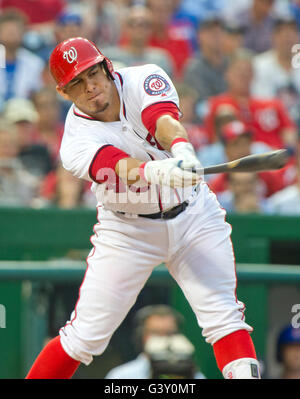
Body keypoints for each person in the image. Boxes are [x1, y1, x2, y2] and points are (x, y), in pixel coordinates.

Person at [25, 37, 260, 379]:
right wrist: (156, 170)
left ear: (106, 67)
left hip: (194, 215)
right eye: (77, 82)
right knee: (83, 338)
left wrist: (182, 151)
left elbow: (162, 119)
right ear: (64, 93)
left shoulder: (144, 77)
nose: (90, 87)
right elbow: (117, 163)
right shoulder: (74, 142)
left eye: (93, 74)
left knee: (224, 318)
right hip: (127, 230)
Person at [204, 50, 298, 152]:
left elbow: (290, 135)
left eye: (248, 71)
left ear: (254, 75)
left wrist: (289, 152)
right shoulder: (218, 104)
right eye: (239, 71)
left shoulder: (273, 104)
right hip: (237, 163)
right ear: (227, 74)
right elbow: (212, 143)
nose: (244, 75)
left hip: (274, 162)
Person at [105, 305, 206, 379]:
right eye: (156, 333)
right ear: (143, 336)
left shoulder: (195, 376)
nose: (163, 338)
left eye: (169, 333)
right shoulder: (120, 376)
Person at [252, 17, 300, 128]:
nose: (287, 38)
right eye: (282, 33)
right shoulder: (259, 65)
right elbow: (261, 103)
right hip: (271, 125)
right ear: (273, 36)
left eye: (292, 33)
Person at [103, 5, 175, 78]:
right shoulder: (110, 57)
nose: (139, 28)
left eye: (145, 24)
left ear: (152, 29)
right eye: (133, 23)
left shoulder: (161, 59)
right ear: (124, 27)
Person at [0, 10, 45, 111]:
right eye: (7, 30)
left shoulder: (35, 63)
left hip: (24, 115)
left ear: (23, 33)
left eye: (15, 30)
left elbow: (37, 94)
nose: (11, 33)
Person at [183, 16, 228, 108]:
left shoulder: (230, 63)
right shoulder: (194, 68)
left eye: (220, 31)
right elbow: (202, 104)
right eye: (211, 32)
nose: (217, 36)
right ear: (199, 36)